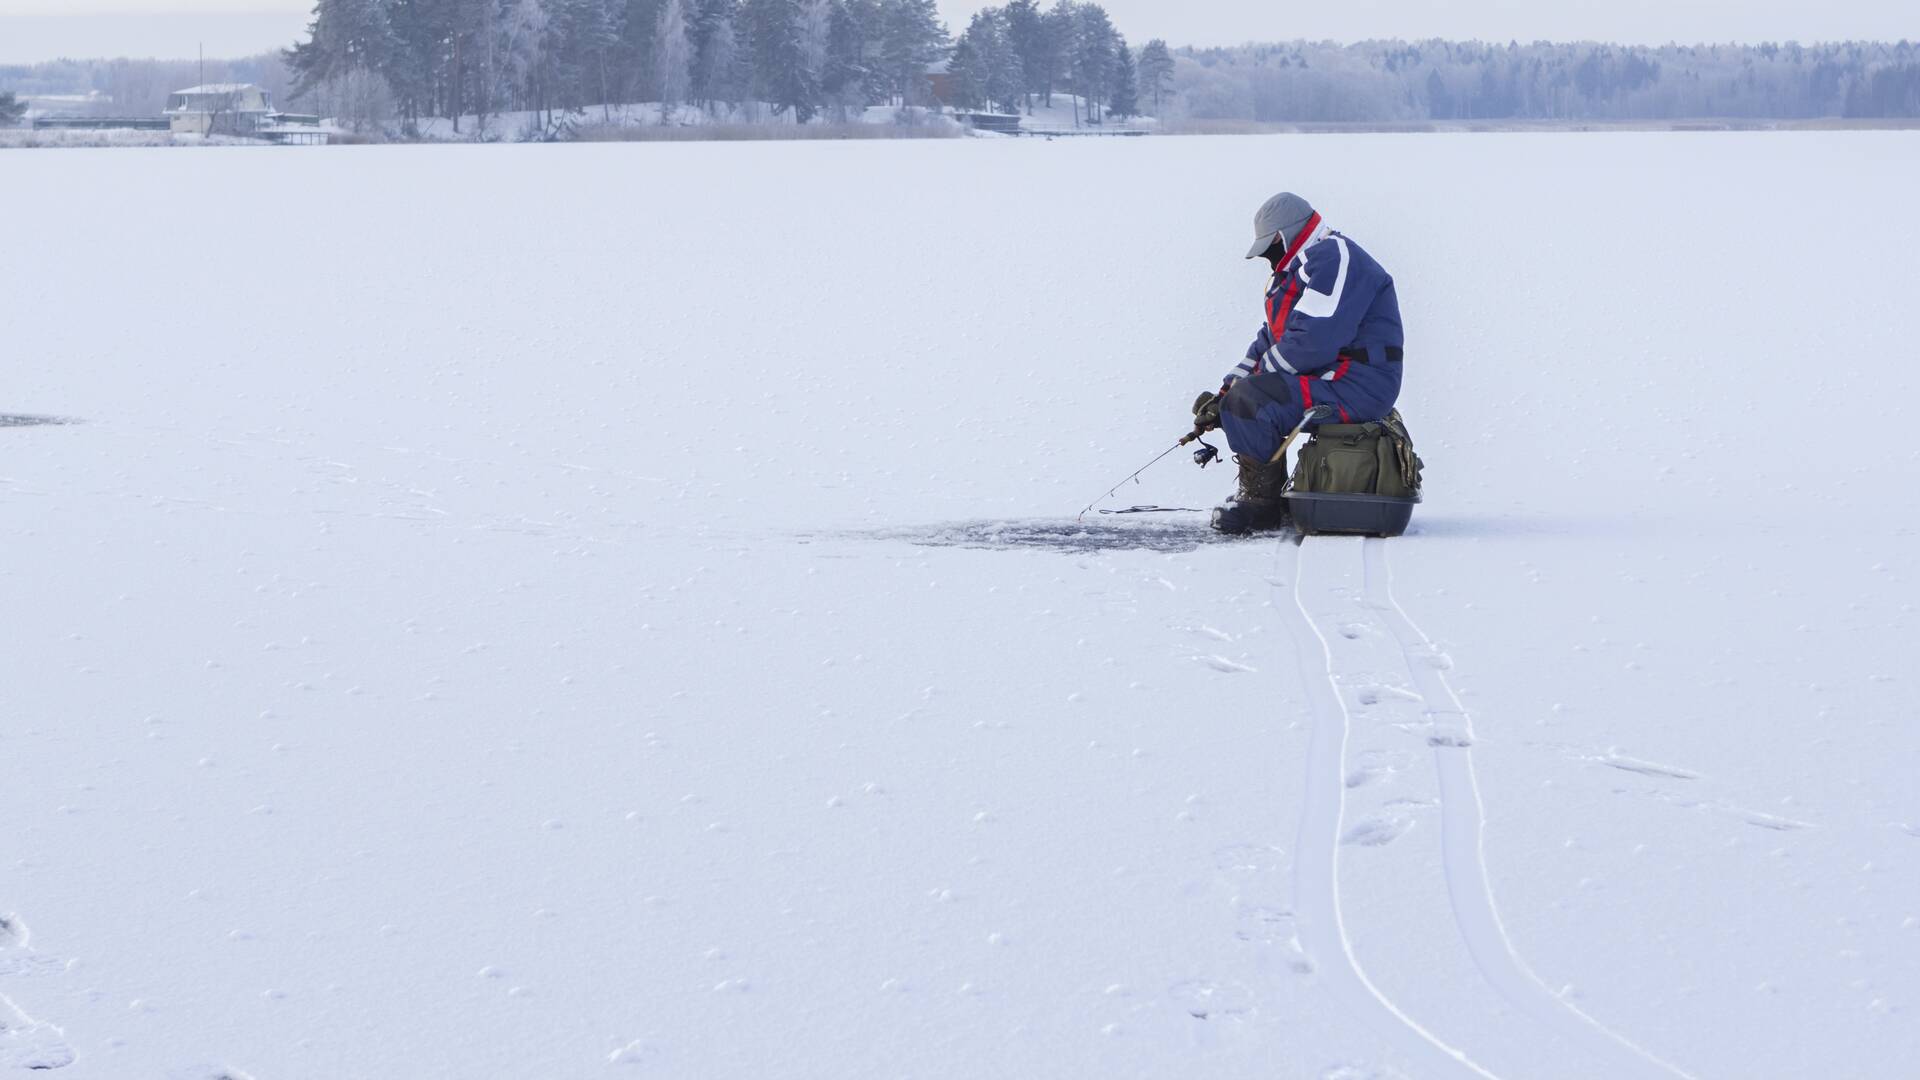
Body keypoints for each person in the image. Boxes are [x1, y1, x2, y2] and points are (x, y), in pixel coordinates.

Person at [1192, 193, 1405, 534]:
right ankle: (1264, 496)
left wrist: (1245, 393)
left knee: (1251, 402)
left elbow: (1311, 343)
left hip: (1358, 384)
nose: (1267, 258)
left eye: (1266, 249)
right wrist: (1226, 391)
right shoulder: (1301, 269)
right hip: (1334, 380)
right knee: (1243, 398)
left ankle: (1260, 506)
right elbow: (1272, 339)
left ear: (1281, 237)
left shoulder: (1334, 258)